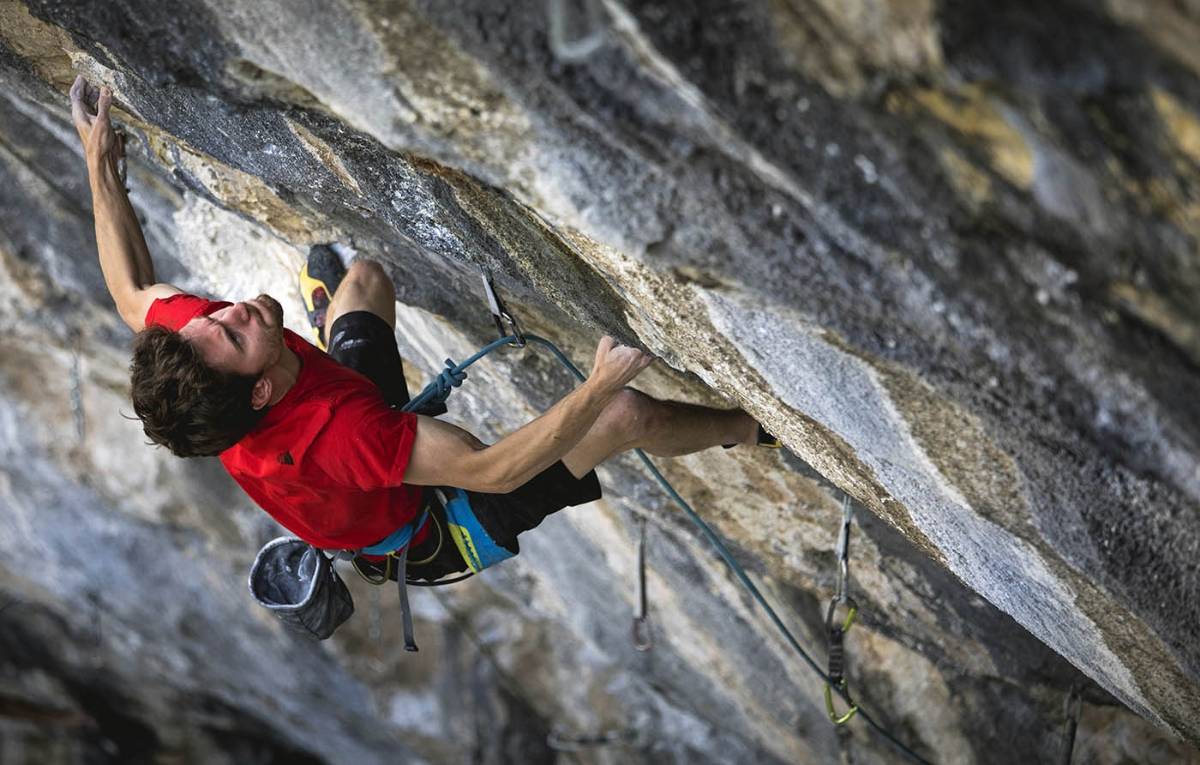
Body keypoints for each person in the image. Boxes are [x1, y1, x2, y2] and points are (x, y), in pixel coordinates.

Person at [71, 75, 775, 581]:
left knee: (367, 279)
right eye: (231, 332)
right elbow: (492, 471)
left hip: (338, 429)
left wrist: (99, 166)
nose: (229, 310)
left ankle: (333, 321)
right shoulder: (347, 435)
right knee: (626, 413)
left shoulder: (202, 352)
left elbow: (133, 295)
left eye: (213, 319)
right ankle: (753, 428)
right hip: (435, 528)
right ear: (257, 393)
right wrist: (596, 386)